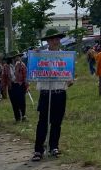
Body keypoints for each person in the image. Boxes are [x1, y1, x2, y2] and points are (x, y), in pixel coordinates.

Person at [32, 29, 74, 161]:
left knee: (57, 122)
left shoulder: (66, 56)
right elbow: (32, 64)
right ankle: (38, 150)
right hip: (46, 92)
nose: (55, 41)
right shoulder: (41, 54)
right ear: (48, 41)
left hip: (59, 92)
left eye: (57, 39)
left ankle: (54, 146)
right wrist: (35, 54)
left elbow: (69, 75)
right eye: (52, 39)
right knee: (43, 122)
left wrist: (70, 79)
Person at [8, 51, 28, 122]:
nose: (18, 58)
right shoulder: (7, 66)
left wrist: (26, 85)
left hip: (20, 85)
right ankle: (17, 117)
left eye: (19, 56)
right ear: (12, 58)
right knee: (14, 102)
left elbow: (25, 76)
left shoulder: (22, 65)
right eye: (16, 57)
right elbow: (4, 77)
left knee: (22, 101)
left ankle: (23, 116)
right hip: (11, 86)